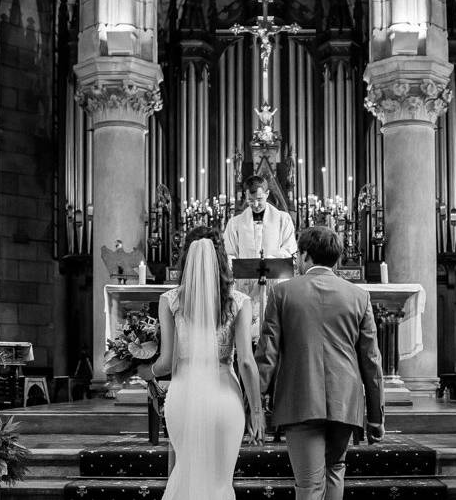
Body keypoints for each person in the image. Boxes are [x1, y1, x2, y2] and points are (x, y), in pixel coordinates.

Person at [255, 226, 386, 500]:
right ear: (336, 258)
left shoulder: (283, 293)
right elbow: (371, 361)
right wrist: (376, 416)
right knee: (335, 470)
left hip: (300, 398)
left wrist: (254, 404)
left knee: (310, 484)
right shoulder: (359, 296)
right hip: (345, 401)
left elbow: (268, 354)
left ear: (305, 255)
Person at [138, 226, 265, 499]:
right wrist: (257, 411)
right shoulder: (239, 302)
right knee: (220, 482)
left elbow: (166, 363)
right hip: (224, 399)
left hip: (184, 397)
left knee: (186, 472)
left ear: (186, 258)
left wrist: (144, 371)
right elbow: (245, 362)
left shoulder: (170, 300)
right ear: (222, 258)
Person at [223, 175, 297, 341]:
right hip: (245, 284)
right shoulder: (235, 223)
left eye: (259, 199)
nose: (255, 205)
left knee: (273, 331)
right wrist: (233, 263)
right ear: (245, 197)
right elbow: (229, 252)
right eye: (250, 200)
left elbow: (289, 249)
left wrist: (267, 261)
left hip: (274, 282)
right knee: (246, 332)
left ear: (268, 193)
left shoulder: (283, 219)